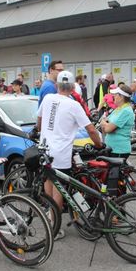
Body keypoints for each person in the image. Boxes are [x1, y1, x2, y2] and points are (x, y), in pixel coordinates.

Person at [37, 71, 103, 211]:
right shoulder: (74, 105)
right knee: (59, 188)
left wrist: (40, 131)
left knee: (48, 180)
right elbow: (91, 130)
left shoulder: (48, 98)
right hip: (61, 153)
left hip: (45, 150)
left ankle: (49, 216)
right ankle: (55, 219)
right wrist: (99, 144)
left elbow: (39, 120)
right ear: (73, 87)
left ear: (57, 85)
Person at [100, 85, 134, 158]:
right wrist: (106, 125)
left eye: (116, 94)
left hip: (119, 150)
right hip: (111, 148)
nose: (113, 96)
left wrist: (105, 125)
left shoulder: (126, 111)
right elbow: (103, 125)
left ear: (121, 97)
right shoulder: (118, 109)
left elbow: (108, 129)